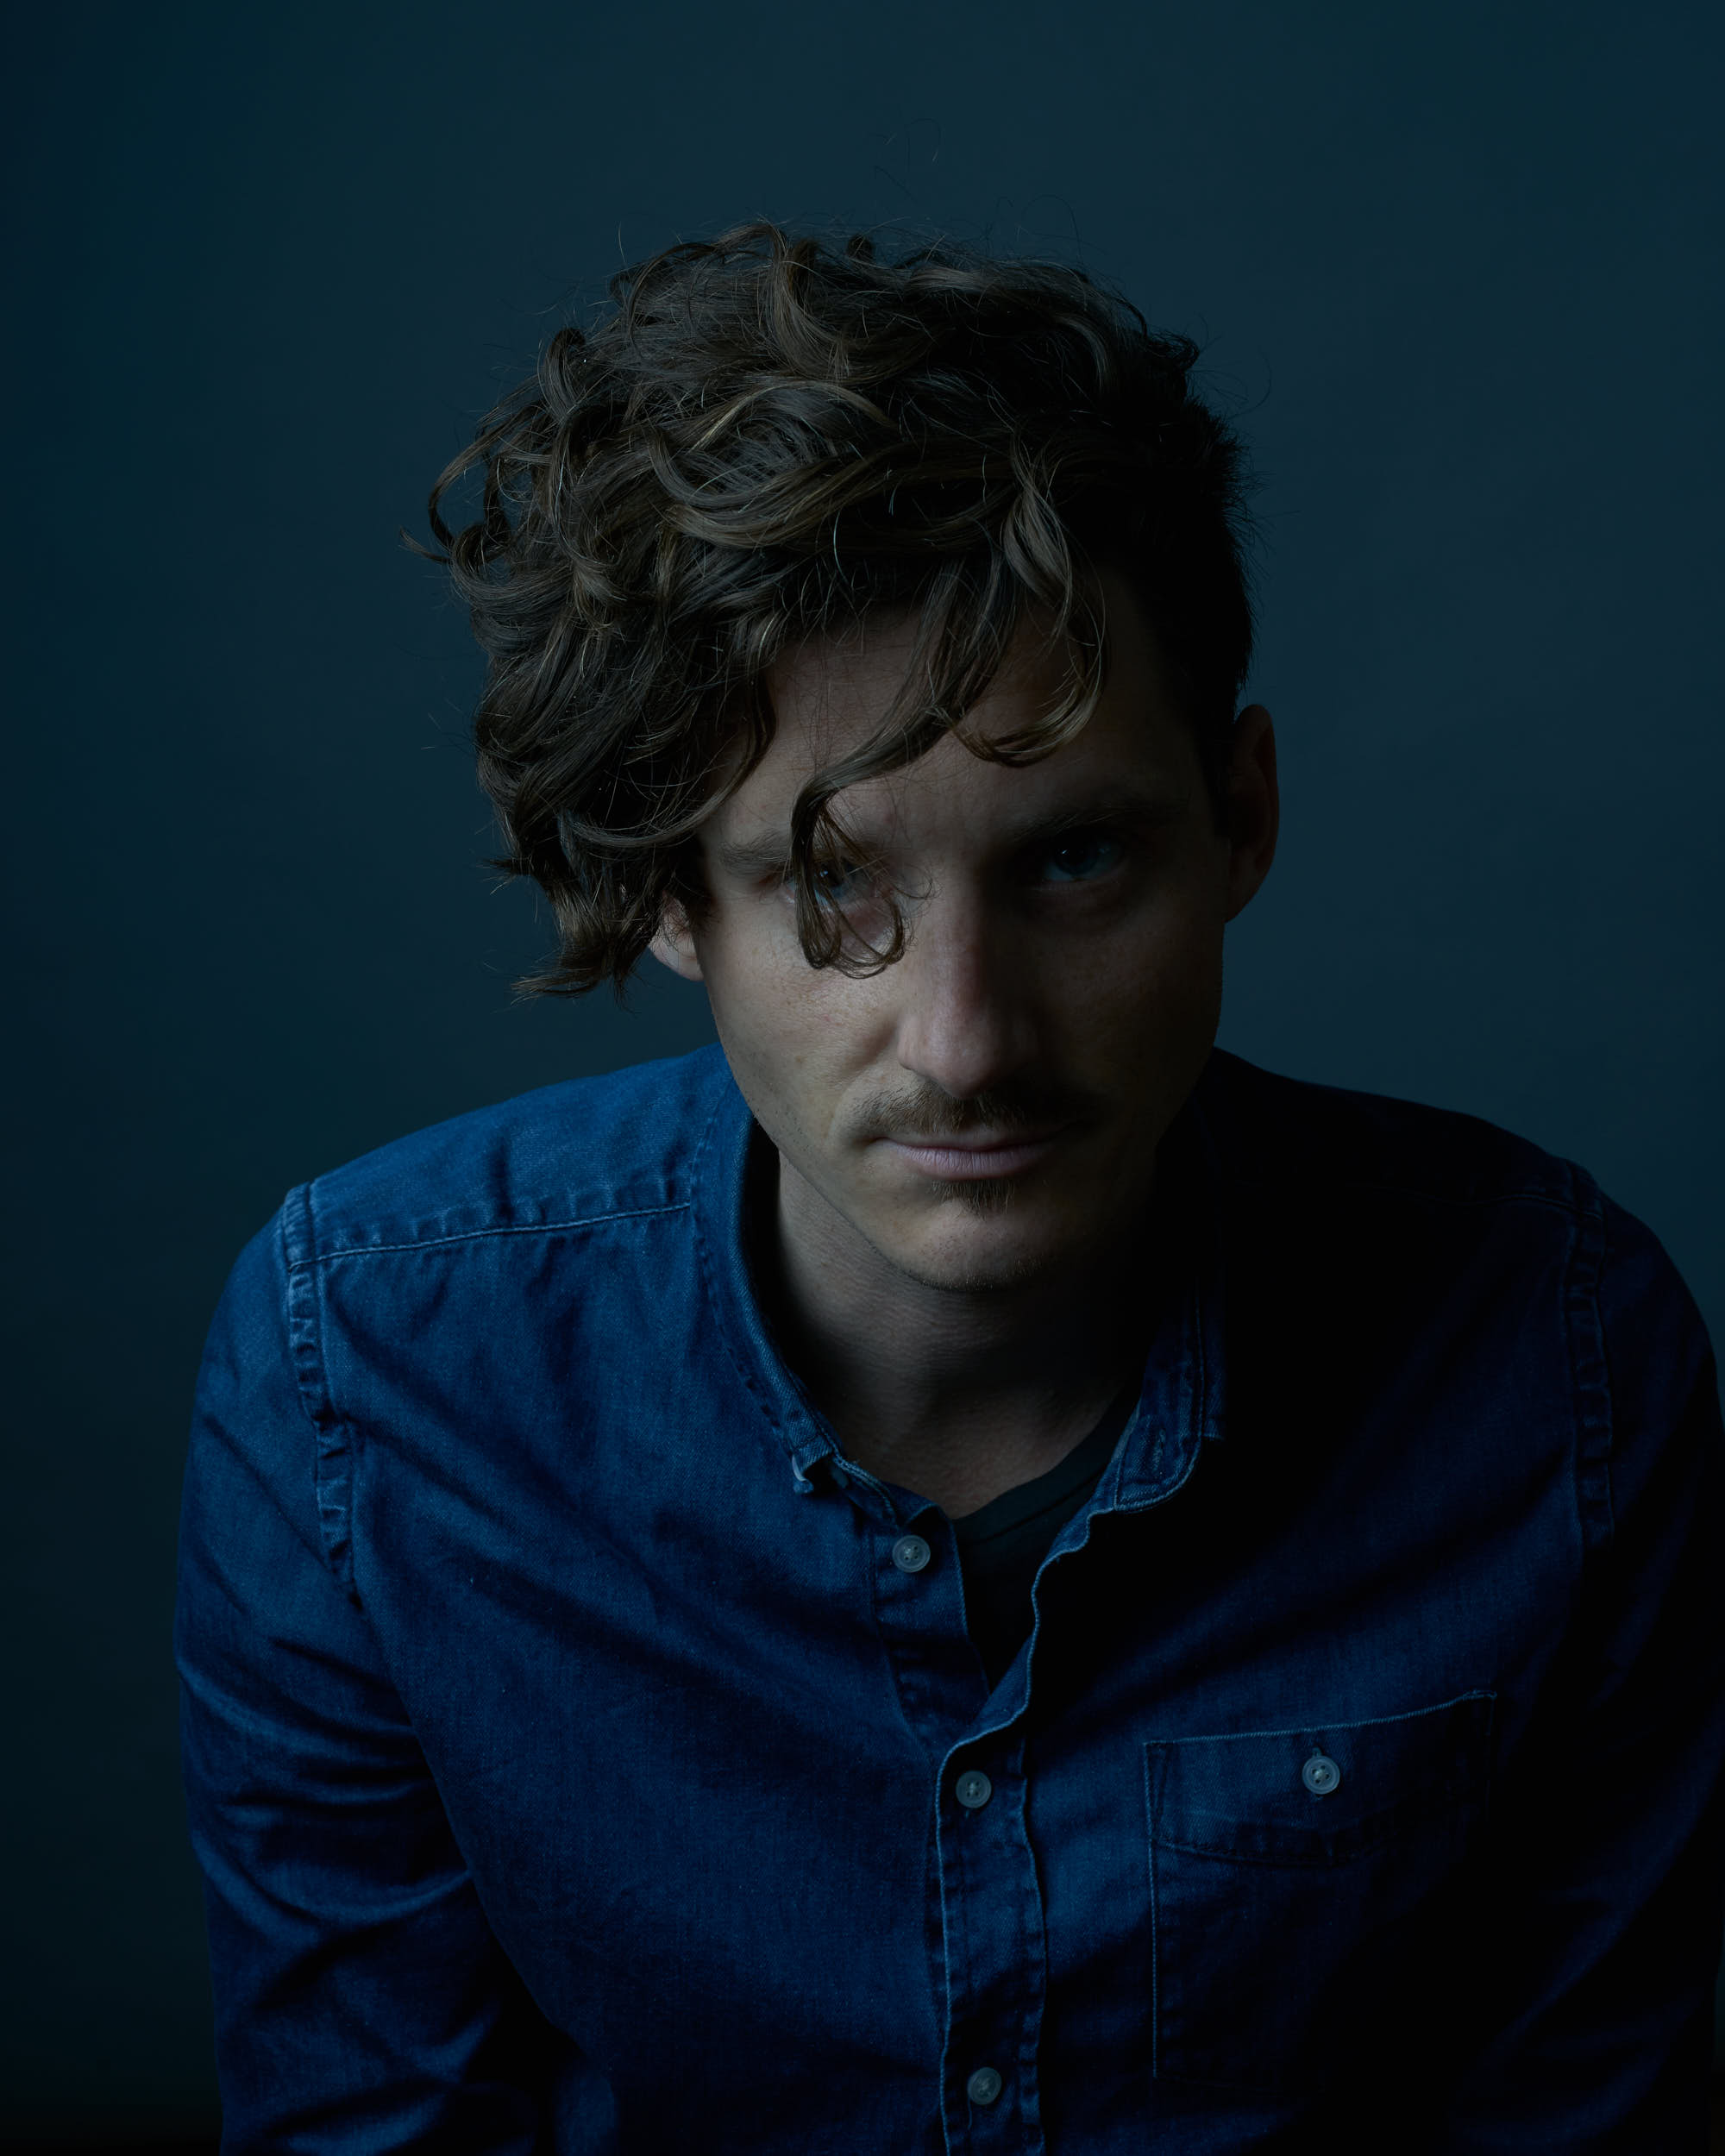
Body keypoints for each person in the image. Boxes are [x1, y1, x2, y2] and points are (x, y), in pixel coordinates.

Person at [176, 222, 1725, 2152]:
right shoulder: (365, 1381)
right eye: (834, 887)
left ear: (1238, 818)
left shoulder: (1557, 1363)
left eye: (1072, 859)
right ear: (670, 893)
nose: (967, 1036)